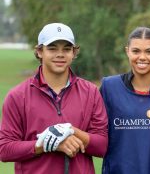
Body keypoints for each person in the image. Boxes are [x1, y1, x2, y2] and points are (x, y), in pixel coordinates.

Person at [0, 23, 108, 174]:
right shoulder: (17, 96)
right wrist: (46, 144)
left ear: (74, 52)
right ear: (39, 51)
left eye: (66, 49)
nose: (60, 54)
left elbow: (102, 146)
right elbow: (5, 149)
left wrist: (71, 131)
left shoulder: (90, 92)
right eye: (52, 48)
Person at [100, 27, 150, 174]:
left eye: (149, 51)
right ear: (127, 51)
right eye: (136, 51)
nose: (142, 57)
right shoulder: (109, 88)